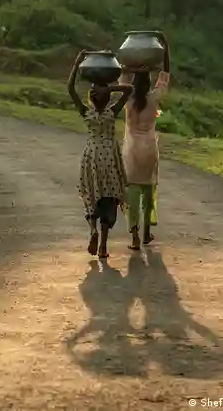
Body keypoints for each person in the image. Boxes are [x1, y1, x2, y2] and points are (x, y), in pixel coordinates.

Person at [68, 50, 133, 259]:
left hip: (91, 157)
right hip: (110, 157)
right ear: (107, 98)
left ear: (91, 98)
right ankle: (103, 246)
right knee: (109, 199)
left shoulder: (86, 113)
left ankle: (92, 230)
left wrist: (77, 63)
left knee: (91, 195)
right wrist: (110, 88)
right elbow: (129, 89)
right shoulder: (111, 112)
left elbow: (70, 89)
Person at [119, 32, 170, 249]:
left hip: (131, 150)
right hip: (149, 149)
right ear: (149, 83)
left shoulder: (127, 98)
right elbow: (165, 74)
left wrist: (131, 65)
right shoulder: (153, 98)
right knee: (148, 192)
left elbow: (121, 72)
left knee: (132, 193)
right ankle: (147, 233)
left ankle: (134, 237)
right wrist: (164, 46)